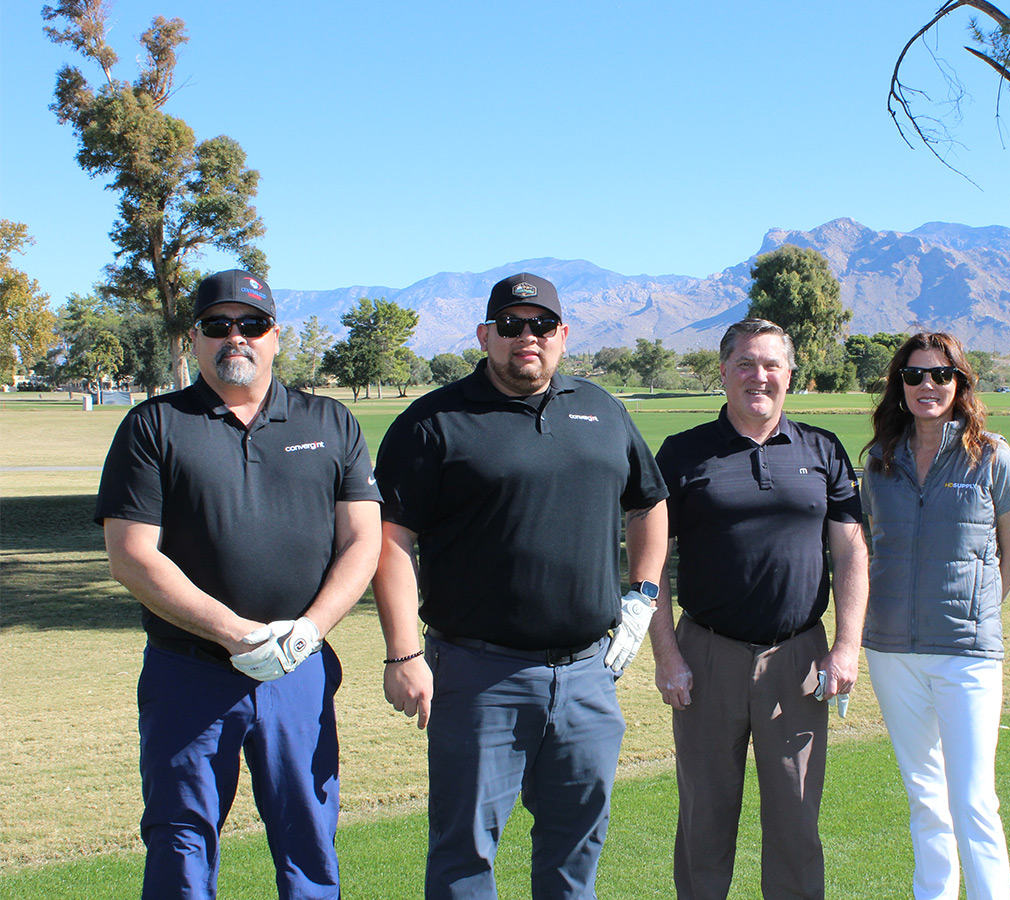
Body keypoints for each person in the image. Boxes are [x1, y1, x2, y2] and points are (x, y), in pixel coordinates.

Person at [371, 272, 669, 900]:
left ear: (562, 334)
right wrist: (403, 652)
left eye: (540, 325)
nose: (525, 337)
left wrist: (641, 596)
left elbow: (649, 502)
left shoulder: (602, 410)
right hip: (480, 675)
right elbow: (389, 540)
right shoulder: (434, 422)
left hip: (590, 674)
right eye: (510, 325)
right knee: (464, 856)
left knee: (575, 853)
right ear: (486, 335)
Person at [95, 268, 383, 899]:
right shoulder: (154, 427)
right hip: (189, 672)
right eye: (218, 326)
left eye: (251, 325)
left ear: (275, 335)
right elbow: (132, 555)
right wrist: (237, 634)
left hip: (297, 670)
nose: (237, 338)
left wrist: (307, 631)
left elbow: (364, 541)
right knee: (181, 842)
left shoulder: (330, 422)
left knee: (308, 838)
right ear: (194, 338)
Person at [648, 318, 869, 900]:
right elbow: (650, 566)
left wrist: (846, 647)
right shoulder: (682, 453)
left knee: (797, 826)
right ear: (723, 372)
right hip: (706, 655)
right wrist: (666, 653)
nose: (759, 376)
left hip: (798, 659)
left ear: (790, 375)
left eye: (771, 364)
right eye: (745, 363)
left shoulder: (822, 450)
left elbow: (850, 552)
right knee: (704, 823)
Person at [860, 332, 1010, 900]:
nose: (927, 386)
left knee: (974, 799)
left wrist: (971, 610)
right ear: (899, 386)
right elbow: (864, 547)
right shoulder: (880, 459)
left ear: (960, 382)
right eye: (914, 376)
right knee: (924, 795)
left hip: (967, 653)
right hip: (890, 650)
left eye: (940, 375)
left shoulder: (993, 455)